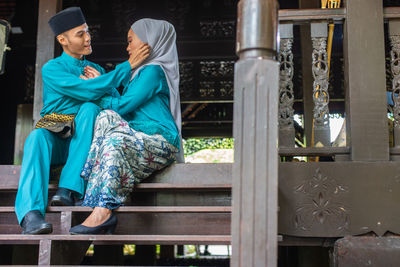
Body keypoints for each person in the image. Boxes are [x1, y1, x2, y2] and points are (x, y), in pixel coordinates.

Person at [15, 7, 149, 234]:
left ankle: (68, 189)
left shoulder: (96, 70)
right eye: (80, 34)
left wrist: (102, 84)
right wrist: (125, 67)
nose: (88, 38)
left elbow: (117, 105)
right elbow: (86, 89)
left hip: (88, 144)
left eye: (88, 32)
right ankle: (31, 215)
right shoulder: (52, 69)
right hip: (58, 138)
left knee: (88, 109)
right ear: (62, 40)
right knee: (37, 136)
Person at [69, 18, 183, 235]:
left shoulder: (153, 71)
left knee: (114, 137)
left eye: (131, 41)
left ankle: (103, 209)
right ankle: (94, 197)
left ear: (149, 41)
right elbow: (120, 108)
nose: (127, 47)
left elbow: (123, 105)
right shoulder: (138, 74)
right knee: (105, 118)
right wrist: (102, 82)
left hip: (159, 138)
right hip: (138, 135)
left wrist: (94, 87)